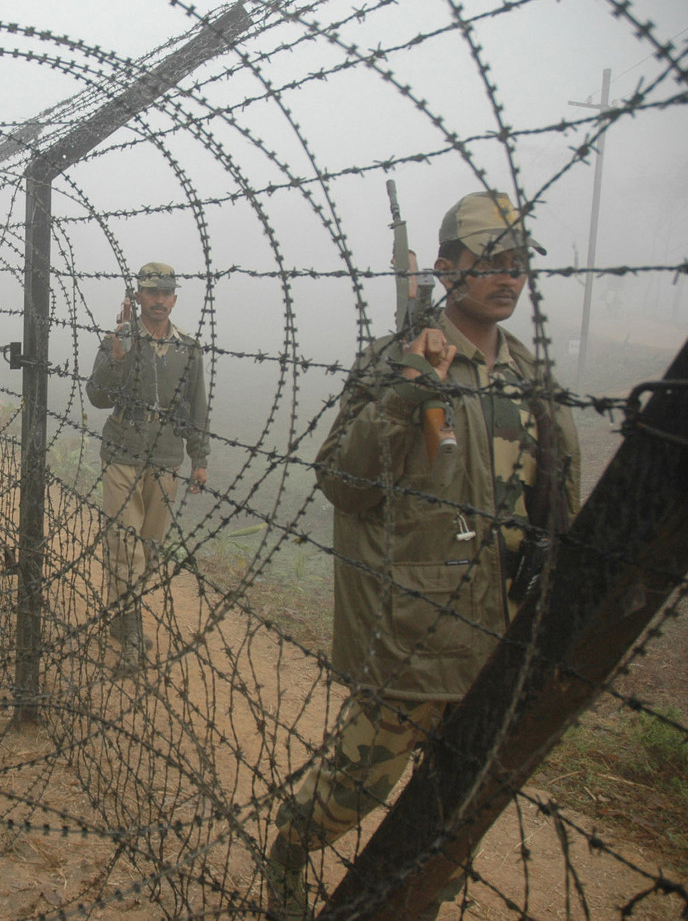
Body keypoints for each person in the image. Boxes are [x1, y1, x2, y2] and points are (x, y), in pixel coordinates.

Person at [263, 192, 582, 919]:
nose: (507, 277)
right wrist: (408, 388)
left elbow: (556, 504)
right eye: (489, 262)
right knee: (359, 784)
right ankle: (289, 849)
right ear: (444, 269)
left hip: (500, 634)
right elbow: (343, 481)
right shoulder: (398, 359)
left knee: (457, 811)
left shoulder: (529, 377)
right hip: (412, 630)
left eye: (517, 263)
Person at [86, 262, 210, 674]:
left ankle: (122, 614)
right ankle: (134, 635)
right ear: (137, 297)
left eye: (166, 293)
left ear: (174, 298)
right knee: (125, 546)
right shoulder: (119, 340)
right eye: (151, 293)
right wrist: (119, 353)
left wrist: (200, 458)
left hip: (167, 456)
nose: (158, 300)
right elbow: (98, 396)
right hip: (123, 449)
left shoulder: (188, 348)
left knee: (150, 549)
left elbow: (196, 406)